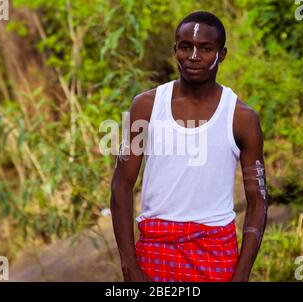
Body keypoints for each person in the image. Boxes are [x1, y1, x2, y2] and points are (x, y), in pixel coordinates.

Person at [110, 11, 269, 282]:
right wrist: (130, 267)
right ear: (175, 50)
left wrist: (241, 275)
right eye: (186, 47)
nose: (194, 56)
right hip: (155, 250)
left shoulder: (241, 118)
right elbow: (121, 185)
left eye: (205, 49)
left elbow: (258, 200)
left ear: (222, 53)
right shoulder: (146, 107)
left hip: (216, 252)